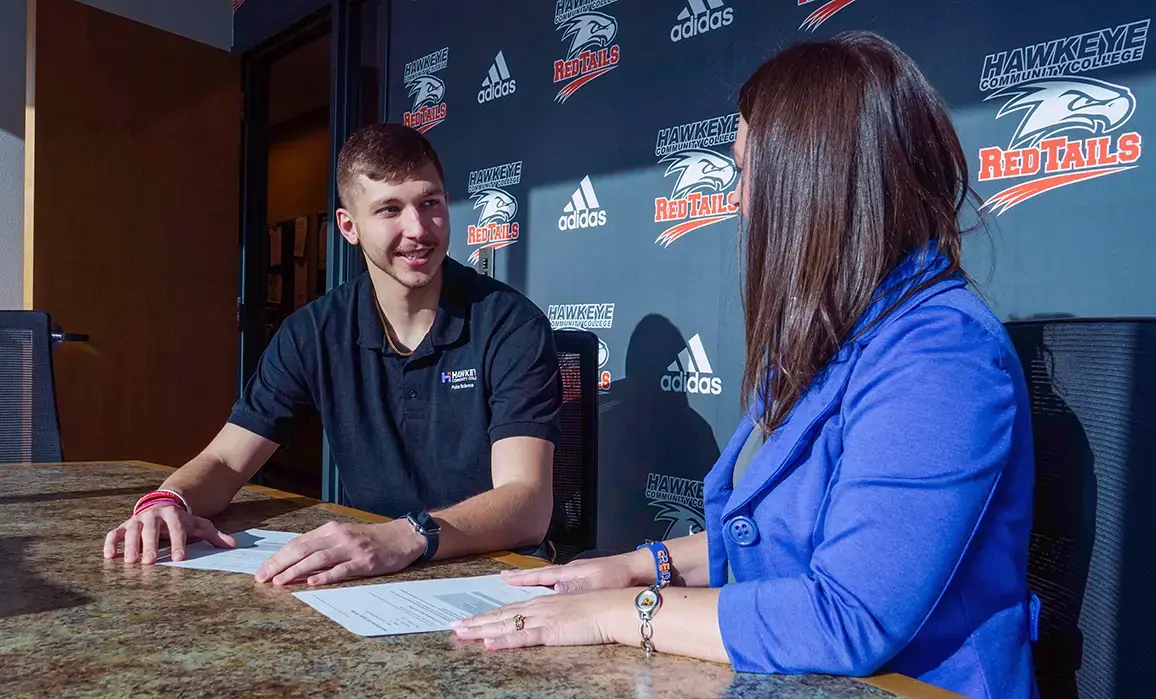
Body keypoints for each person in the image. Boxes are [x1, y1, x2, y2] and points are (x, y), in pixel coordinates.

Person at [452, 32, 1036, 699]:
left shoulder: (943, 357)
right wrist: (637, 568)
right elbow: (771, 540)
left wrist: (614, 615)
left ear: (811, 179)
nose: (737, 201)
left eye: (745, 171)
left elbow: (847, 617)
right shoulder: (828, 332)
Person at [103, 123, 562, 587]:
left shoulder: (511, 324)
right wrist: (168, 502)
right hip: (370, 579)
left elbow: (527, 503)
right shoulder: (312, 332)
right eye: (389, 209)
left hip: (498, 576)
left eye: (430, 203)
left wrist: (405, 536)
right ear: (349, 227)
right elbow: (225, 461)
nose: (418, 229)